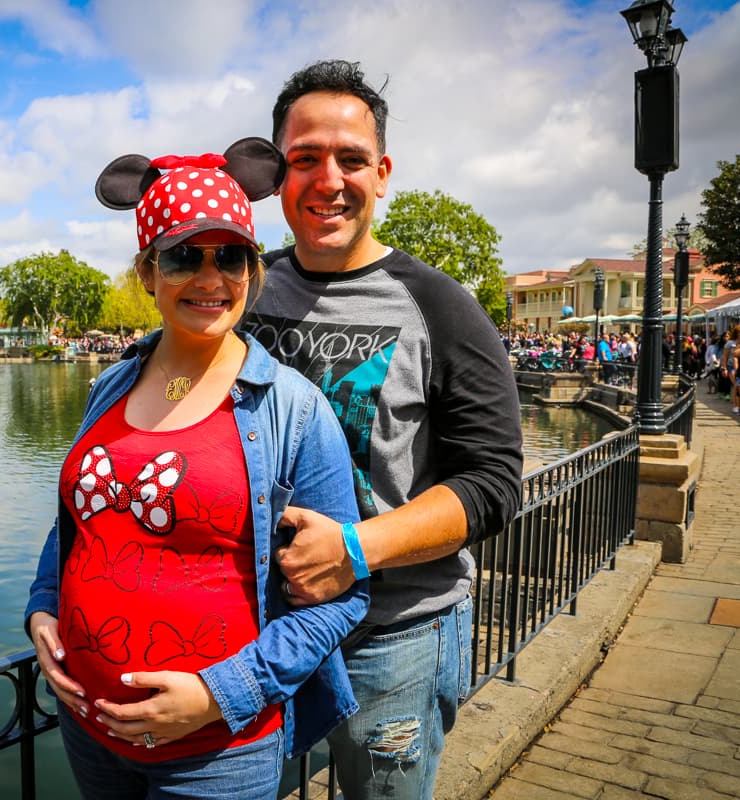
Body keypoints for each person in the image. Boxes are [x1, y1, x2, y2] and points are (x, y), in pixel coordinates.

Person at [26, 138, 369, 800]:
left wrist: (220, 693)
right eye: (185, 256)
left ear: (252, 270)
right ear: (147, 272)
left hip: (217, 753)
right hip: (90, 729)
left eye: (232, 258)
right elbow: (77, 522)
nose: (211, 280)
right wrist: (42, 609)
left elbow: (343, 595)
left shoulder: (292, 409)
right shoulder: (111, 388)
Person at [239, 60, 523, 799]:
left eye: (351, 159)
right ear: (276, 174)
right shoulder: (238, 288)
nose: (328, 180)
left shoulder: (442, 307)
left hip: (394, 642)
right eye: (305, 159)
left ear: (383, 172)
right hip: (256, 637)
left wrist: (356, 550)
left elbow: (493, 485)